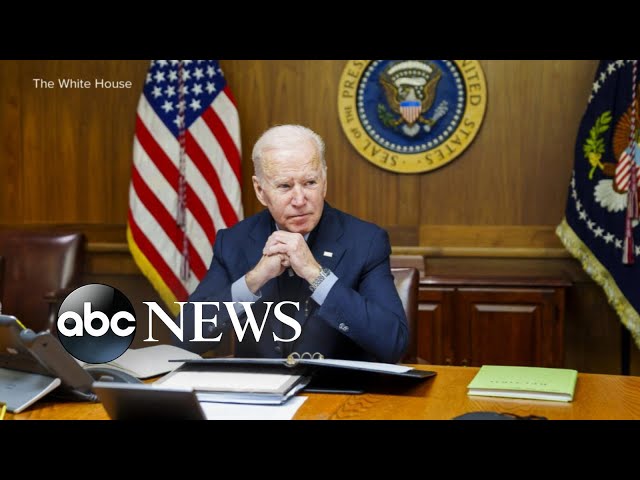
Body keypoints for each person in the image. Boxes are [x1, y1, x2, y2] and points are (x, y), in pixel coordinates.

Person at [175, 124, 408, 363]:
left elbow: (393, 343)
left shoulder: (366, 241)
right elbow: (183, 338)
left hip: (335, 385)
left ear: (324, 181)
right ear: (260, 190)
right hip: (260, 385)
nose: (299, 200)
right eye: (285, 186)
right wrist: (254, 279)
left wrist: (316, 274)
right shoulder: (234, 241)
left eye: (310, 183)